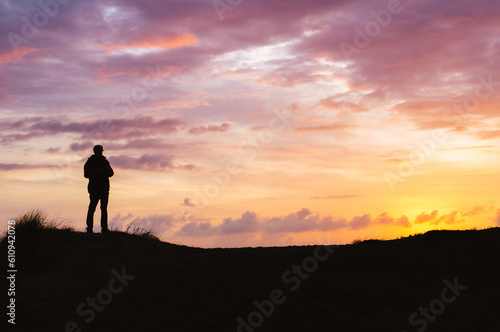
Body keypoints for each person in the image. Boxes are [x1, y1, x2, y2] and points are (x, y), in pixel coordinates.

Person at [84, 145, 114, 234]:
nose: (100, 153)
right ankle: (89, 228)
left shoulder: (105, 162)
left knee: (103, 209)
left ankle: (104, 228)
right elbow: (86, 174)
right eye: (99, 151)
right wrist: (97, 171)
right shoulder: (90, 162)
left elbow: (111, 173)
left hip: (104, 188)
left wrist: (105, 169)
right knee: (92, 208)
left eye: (101, 151)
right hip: (95, 188)